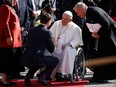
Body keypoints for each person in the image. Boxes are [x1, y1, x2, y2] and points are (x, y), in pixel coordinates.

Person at [73, 2, 116, 83]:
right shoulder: (90, 12)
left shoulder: (94, 12)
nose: (77, 15)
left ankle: (99, 77)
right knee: (102, 55)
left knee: (104, 56)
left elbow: (106, 24)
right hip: (105, 36)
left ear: (82, 9)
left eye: (77, 12)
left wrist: (98, 34)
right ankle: (100, 76)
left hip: (110, 35)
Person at [20, 13, 59, 86]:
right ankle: (43, 76)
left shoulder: (32, 30)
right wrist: (52, 41)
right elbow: (51, 49)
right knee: (55, 60)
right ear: (49, 21)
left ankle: (28, 76)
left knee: (37, 61)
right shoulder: (47, 32)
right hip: (37, 58)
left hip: (27, 57)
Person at [49, 11, 83, 80]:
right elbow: (50, 34)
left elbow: (78, 41)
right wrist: (52, 39)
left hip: (68, 47)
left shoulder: (76, 28)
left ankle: (63, 73)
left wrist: (69, 44)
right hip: (55, 45)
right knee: (50, 50)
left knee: (67, 50)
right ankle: (50, 74)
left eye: (65, 19)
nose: (63, 20)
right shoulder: (57, 23)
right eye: (62, 18)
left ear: (70, 20)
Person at [0, 0, 22, 86]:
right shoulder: (5, 7)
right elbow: (4, 23)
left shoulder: (11, 8)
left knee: (11, 59)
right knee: (7, 59)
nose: (17, 1)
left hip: (15, 40)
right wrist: (8, 36)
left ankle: (6, 78)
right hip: (8, 40)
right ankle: (4, 79)